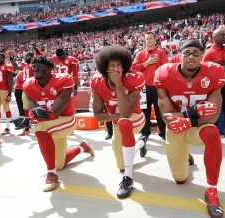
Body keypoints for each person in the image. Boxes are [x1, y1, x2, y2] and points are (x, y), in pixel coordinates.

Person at [155, 40, 225, 218]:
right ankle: (185, 156)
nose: (191, 56)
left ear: (202, 56)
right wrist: (194, 112)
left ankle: (212, 189)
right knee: (180, 180)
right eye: (187, 53)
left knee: (212, 132)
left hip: (197, 127)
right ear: (179, 56)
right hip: (176, 129)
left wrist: (187, 120)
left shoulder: (213, 72)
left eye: (196, 53)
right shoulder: (164, 73)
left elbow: (213, 116)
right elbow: (167, 116)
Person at [18, 56, 94, 192]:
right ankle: (82, 148)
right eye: (34, 65)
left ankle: (51, 174)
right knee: (59, 164)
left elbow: (56, 111)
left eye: (40, 65)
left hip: (66, 120)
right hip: (51, 125)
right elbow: (31, 105)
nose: (35, 68)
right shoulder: (28, 84)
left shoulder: (63, 79)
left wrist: (34, 119)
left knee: (40, 128)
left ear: (50, 69)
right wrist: (32, 116)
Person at [91, 45, 147, 198]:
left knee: (124, 122)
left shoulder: (134, 78)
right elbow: (98, 115)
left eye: (119, 65)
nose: (116, 69)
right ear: (105, 68)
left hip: (136, 118)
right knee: (121, 166)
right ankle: (141, 143)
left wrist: (119, 84)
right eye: (112, 65)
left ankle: (128, 178)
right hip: (118, 121)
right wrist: (116, 118)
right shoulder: (97, 81)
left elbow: (126, 112)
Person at [132, 31, 168, 140]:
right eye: (147, 38)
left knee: (159, 110)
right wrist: (147, 62)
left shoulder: (161, 52)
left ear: (155, 39)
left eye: (151, 38)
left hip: (158, 87)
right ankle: (145, 133)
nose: (149, 40)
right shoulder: (140, 54)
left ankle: (162, 132)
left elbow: (166, 67)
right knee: (145, 110)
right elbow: (134, 68)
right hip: (144, 87)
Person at [9, 51, 34, 135]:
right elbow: (15, 67)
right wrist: (11, 58)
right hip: (25, 89)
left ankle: (40, 127)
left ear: (32, 57)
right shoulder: (24, 65)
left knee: (35, 107)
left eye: (28, 56)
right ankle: (26, 129)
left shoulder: (34, 65)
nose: (25, 57)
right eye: (25, 55)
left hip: (33, 88)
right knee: (25, 108)